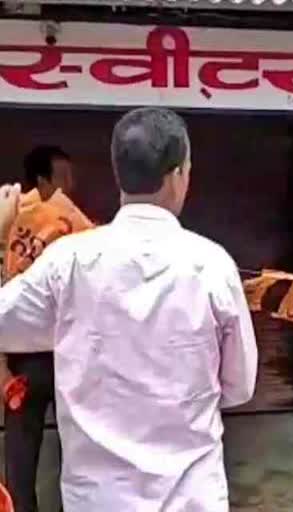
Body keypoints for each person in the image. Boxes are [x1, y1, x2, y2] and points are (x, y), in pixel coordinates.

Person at [0, 107, 258, 511]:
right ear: (178, 176)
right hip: (192, 499)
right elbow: (240, 386)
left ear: (119, 171)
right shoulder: (212, 266)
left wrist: (1, 235)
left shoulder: (67, 262)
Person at [0, 145, 74, 512]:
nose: (69, 186)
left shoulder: (8, 218)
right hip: (26, 362)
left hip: (57, 358)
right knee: (25, 458)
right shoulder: (73, 228)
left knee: (32, 458)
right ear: (43, 181)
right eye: (63, 178)